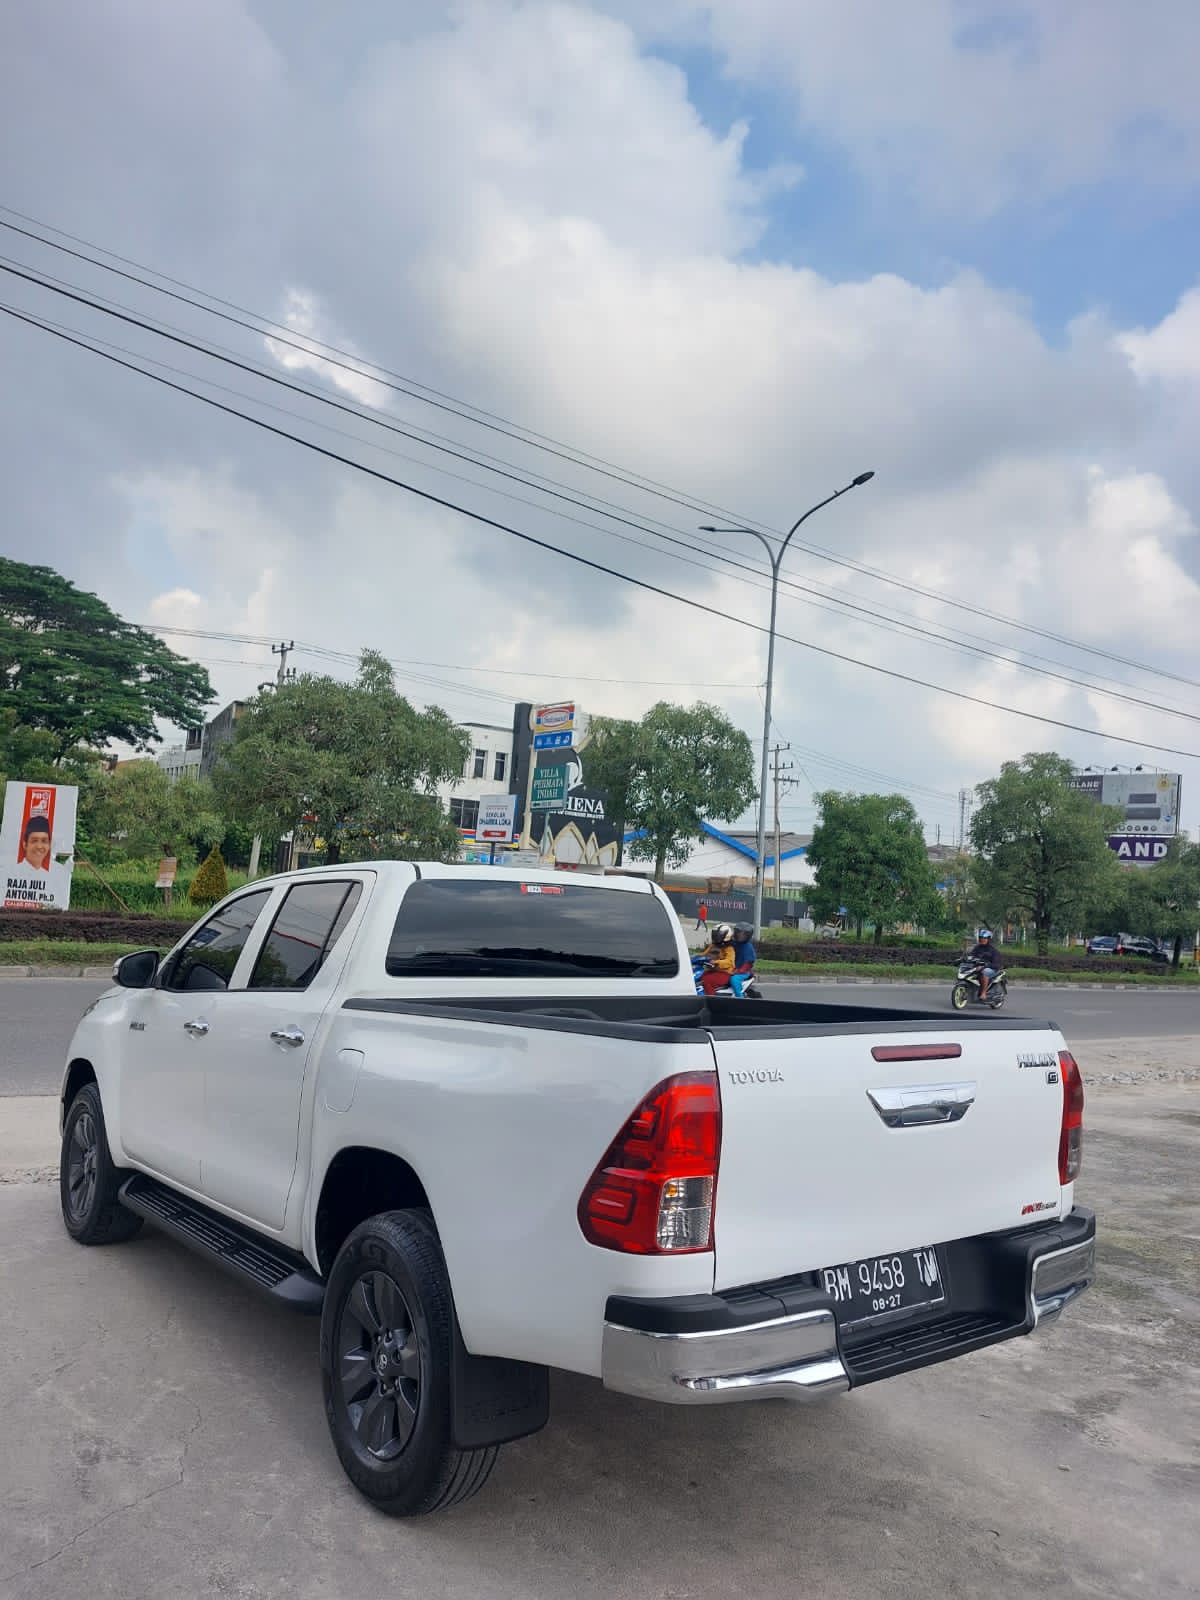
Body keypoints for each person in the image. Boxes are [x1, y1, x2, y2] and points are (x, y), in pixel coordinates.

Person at [698, 923, 736, 995]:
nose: (716, 938)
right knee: (698, 977)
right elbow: (704, 954)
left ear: (726, 936)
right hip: (712, 971)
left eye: (718, 936)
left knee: (707, 981)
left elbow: (730, 962)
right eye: (715, 935)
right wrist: (694, 957)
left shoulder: (729, 948)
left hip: (724, 973)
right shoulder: (713, 946)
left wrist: (717, 962)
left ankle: (710, 998)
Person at [967, 928, 999, 1001]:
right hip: (979, 967)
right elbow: (971, 956)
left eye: (985, 938)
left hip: (992, 969)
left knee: (985, 972)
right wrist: (965, 959)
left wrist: (984, 966)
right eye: (981, 938)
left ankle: (983, 993)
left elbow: (996, 964)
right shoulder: (977, 948)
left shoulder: (993, 950)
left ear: (988, 939)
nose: (982, 939)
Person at [730, 924, 757, 997]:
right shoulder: (733, 943)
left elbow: (748, 964)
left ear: (748, 935)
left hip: (743, 972)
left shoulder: (748, 947)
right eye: (738, 932)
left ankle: (740, 998)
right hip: (731, 969)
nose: (740, 935)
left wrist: (738, 971)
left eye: (743, 934)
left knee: (734, 980)